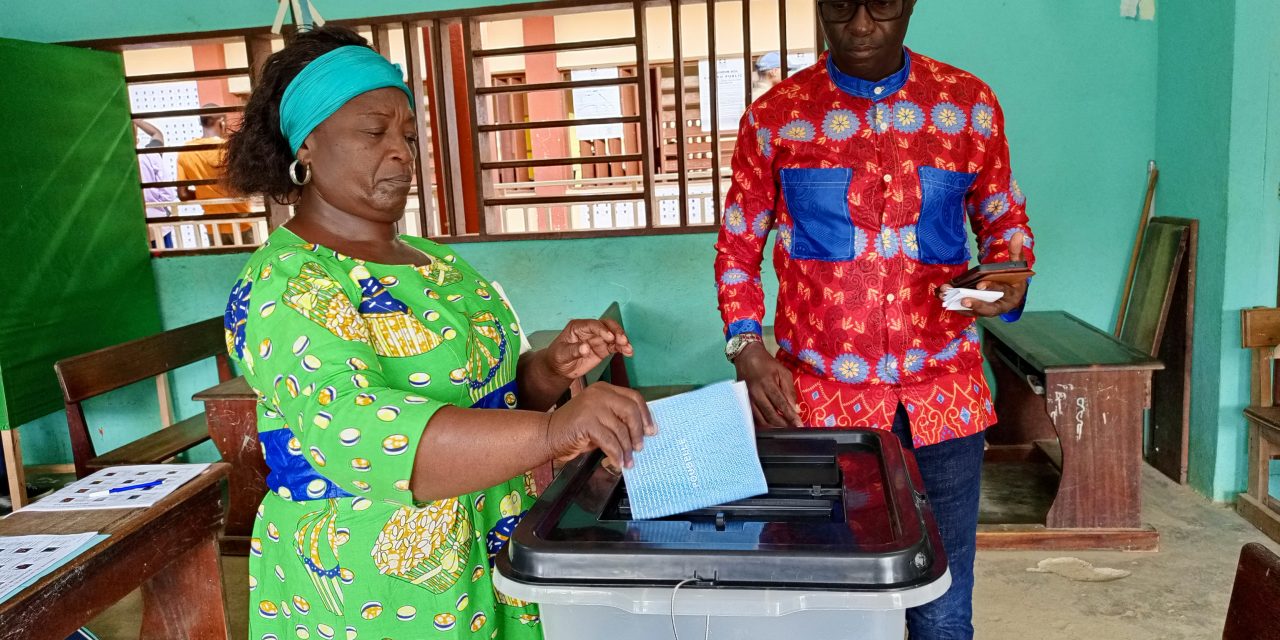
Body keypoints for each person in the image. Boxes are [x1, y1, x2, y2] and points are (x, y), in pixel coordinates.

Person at [222, 26, 652, 639]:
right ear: (308, 144)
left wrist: (550, 370)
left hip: (492, 544)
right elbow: (362, 434)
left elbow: (495, 399)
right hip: (378, 581)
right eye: (374, 133)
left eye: (406, 135)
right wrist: (557, 430)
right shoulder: (287, 284)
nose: (401, 152)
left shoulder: (434, 262)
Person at [715, 1, 1034, 638]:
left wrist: (1004, 278)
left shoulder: (967, 104)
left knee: (942, 602)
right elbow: (738, 245)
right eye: (839, 5)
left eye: (883, 4)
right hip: (820, 405)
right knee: (835, 599)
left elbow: (1004, 223)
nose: (861, 25)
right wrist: (746, 347)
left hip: (945, 395)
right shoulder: (776, 117)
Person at [177, 103, 253, 244]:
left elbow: (183, 194)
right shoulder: (231, 149)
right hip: (241, 222)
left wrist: (205, 193)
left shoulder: (185, 151)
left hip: (214, 225)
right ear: (222, 122)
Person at [133, 119, 177, 248]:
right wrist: (136, 119)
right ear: (136, 137)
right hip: (158, 223)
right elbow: (157, 134)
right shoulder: (150, 155)